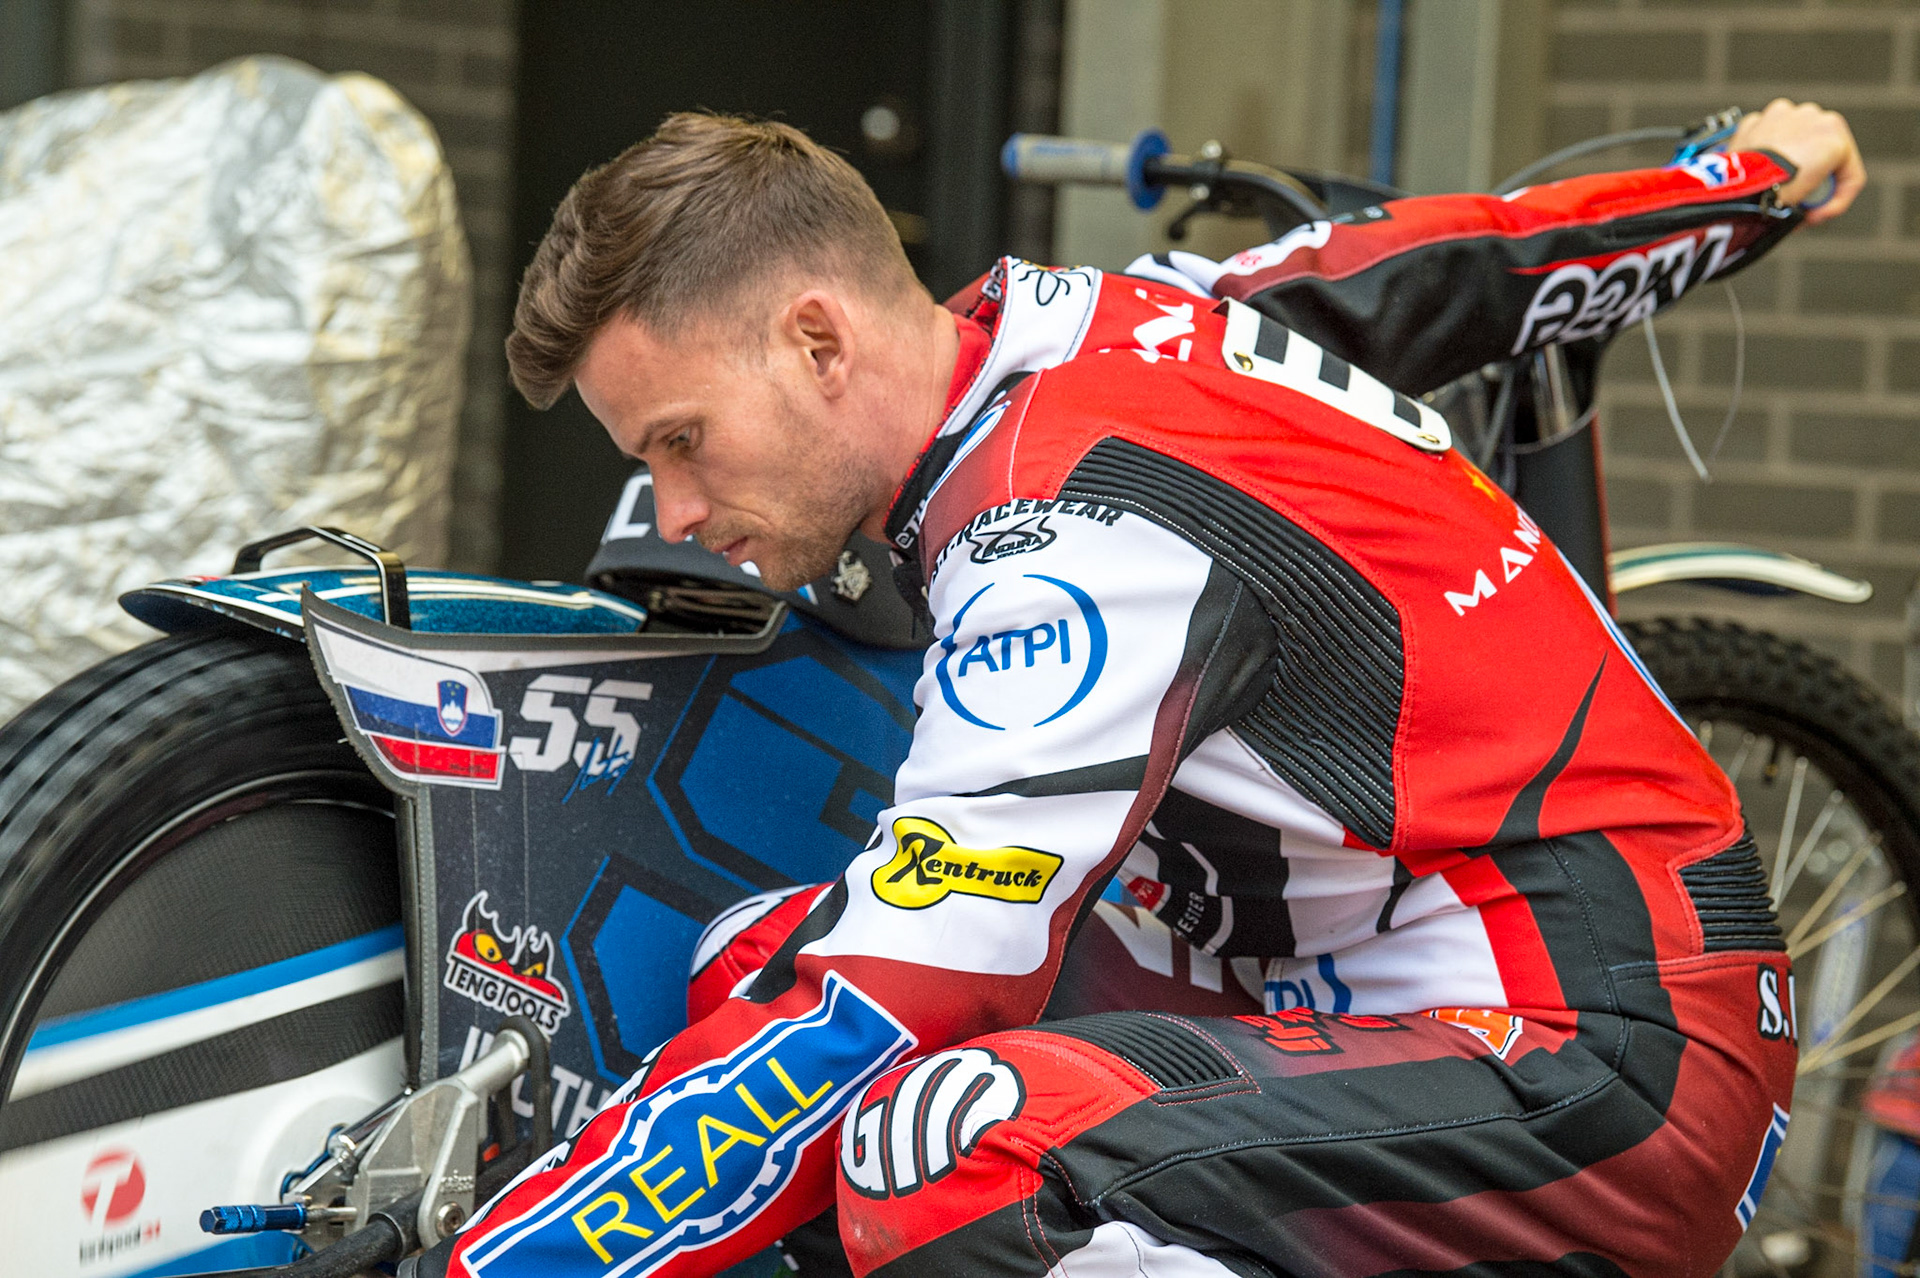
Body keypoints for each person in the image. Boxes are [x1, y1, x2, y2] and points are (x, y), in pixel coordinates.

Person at [409, 100, 1865, 1278]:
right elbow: (1453, 264)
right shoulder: (1128, 313)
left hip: (1605, 1063)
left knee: (939, 1140)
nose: (667, 509)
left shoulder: (1066, 549)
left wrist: (501, 1261)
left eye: (681, 438)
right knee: (758, 964)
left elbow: (894, 996)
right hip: (1396, 979)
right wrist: (1744, 181)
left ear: (816, 340)